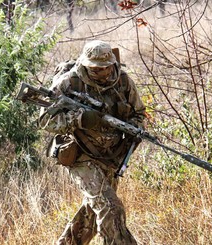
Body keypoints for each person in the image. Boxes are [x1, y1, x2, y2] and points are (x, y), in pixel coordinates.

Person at [39, 40, 146, 245]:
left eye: (106, 67)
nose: (102, 72)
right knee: (110, 207)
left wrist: (133, 128)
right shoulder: (69, 82)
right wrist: (79, 119)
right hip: (80, 153)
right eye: (96, 69)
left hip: (111, 156)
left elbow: (139, 113)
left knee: (92, 210)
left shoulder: (123, 81)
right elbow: (45, 120)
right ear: (86, 64)